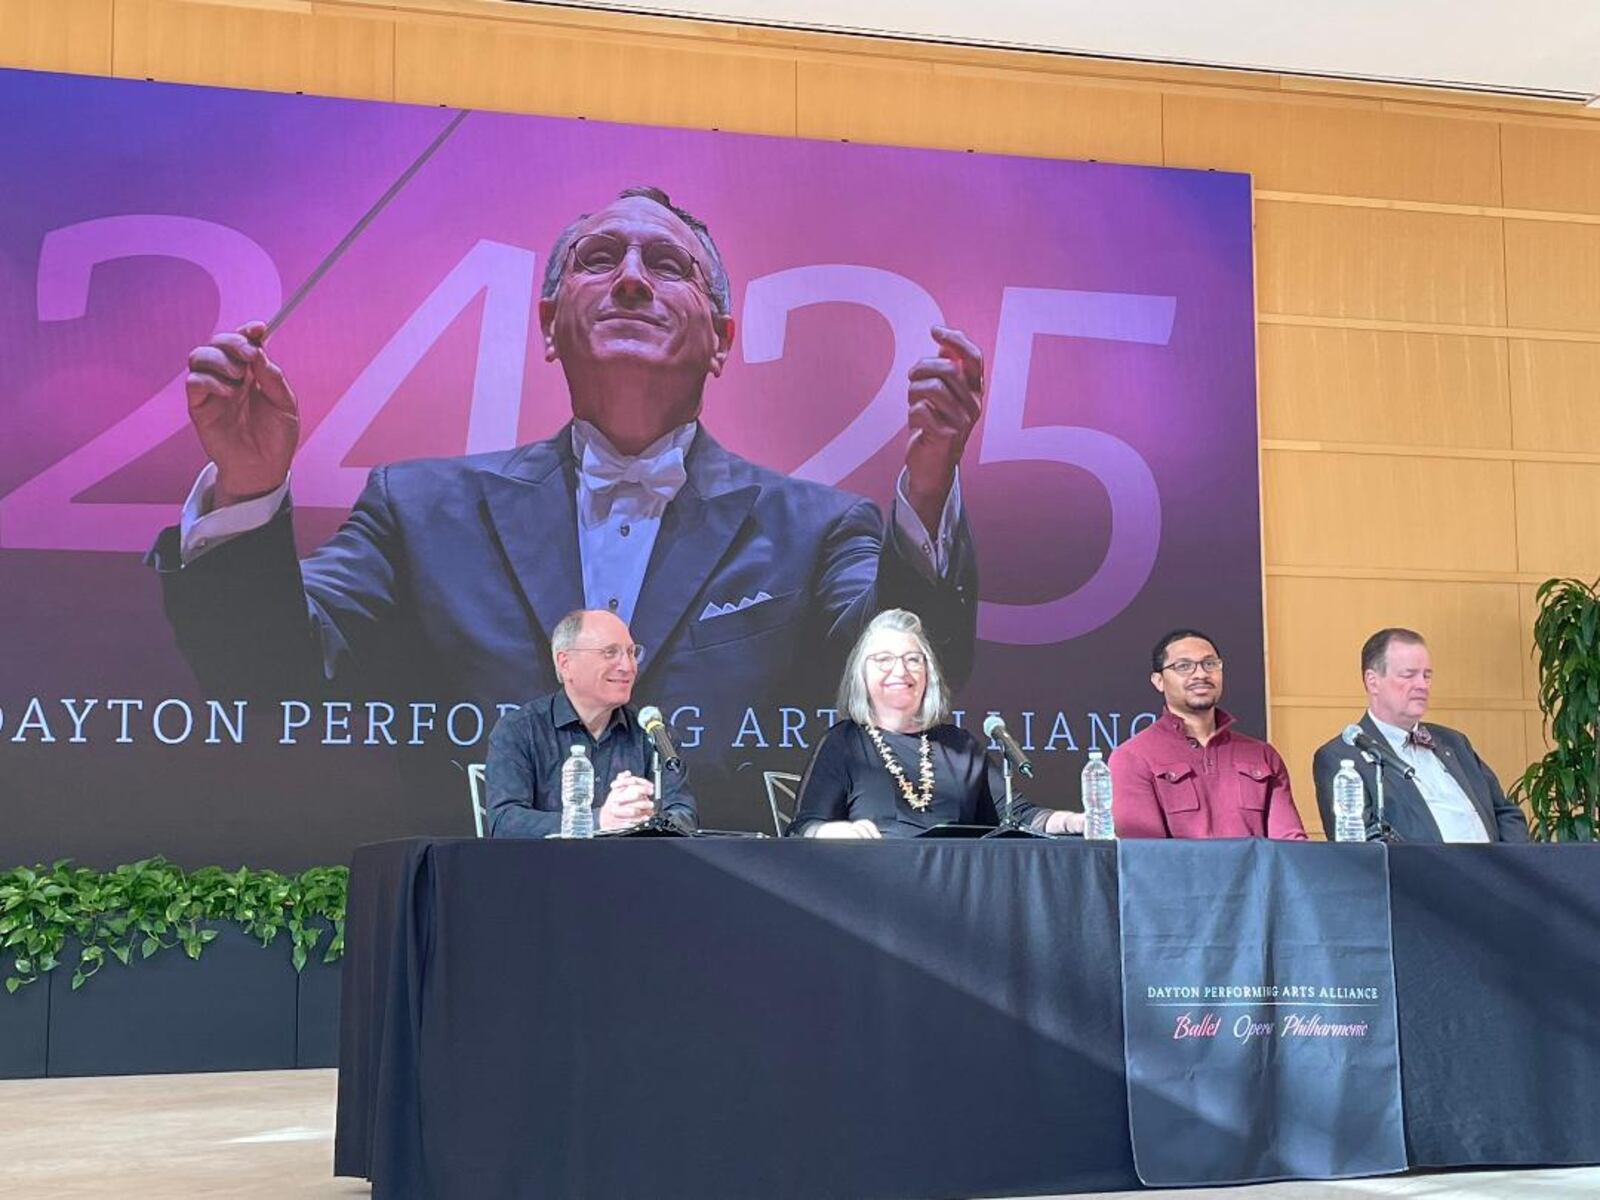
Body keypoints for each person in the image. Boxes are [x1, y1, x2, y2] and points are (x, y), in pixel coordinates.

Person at [146, 185, 983, 827]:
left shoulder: (818, 529)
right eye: (599, 259)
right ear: (548, 325)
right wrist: (249, 488)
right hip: (488, 931)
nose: (629, 281)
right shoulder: (419, 508)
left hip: (736, 936)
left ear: (722, 340)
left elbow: (895, 694)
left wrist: (929, 488)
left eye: (666, 267)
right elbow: (265, 670)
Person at [788, 609, 1084, 838]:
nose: (900, 670)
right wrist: (829, 832)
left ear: (929, 674)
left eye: (913, 659)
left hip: (957, 894)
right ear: (860, 676)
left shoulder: (959, 746)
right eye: (883, 659)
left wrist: (1071, 821)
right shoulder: (844, 743)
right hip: (873, 896)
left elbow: (1018, 815)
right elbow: (803, 827)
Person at [484, 608, 696, 838]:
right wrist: (600, 820)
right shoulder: (520, 730)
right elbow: (505, 822)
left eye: (631, 652)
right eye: (610, 652)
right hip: (547, 871)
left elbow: (683, 814)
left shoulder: (651, 731)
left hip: (631, 870)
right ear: (566, 663)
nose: (628, 666)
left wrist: (645, 816)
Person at [1312, 628, 1528, 843]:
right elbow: (1361, 848)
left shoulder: (1454, 742)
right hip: (1426, 874)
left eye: (1427, 675)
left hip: (1495, 871)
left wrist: (1511, 866)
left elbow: (1506, 813)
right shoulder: (1341, 756)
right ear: (1373, 681)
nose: (1422, 685)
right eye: (1409, 675)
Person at [1110, 628, 1306, 840]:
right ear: (1158, 681)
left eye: (1210, 664)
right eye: (1183, 666)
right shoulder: (1132, 757)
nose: (1201, 674)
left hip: (1258, 874)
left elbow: (1289, 843)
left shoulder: (1263, 755)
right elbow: (1145, 855)